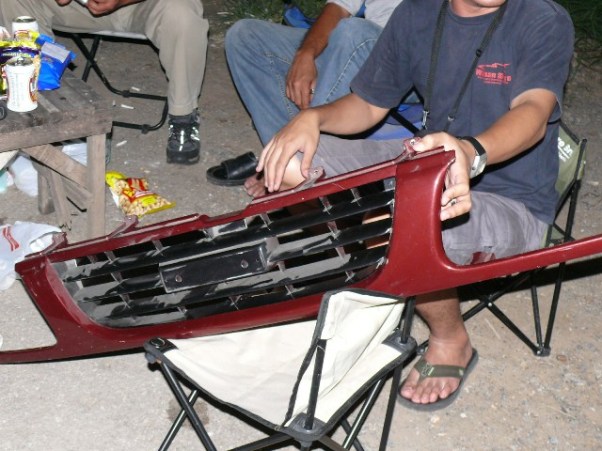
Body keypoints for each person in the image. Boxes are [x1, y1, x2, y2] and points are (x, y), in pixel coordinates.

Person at [256, 0, 574, 410]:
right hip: (425, 163)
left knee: (400, 222)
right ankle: (369, 266)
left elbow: (534, 112)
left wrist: (470, 151)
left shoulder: (542, 18)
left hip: (512, 201)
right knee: (291, 166)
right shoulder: (418, 11)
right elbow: (369, 105)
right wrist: (313, 118)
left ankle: (450, 338)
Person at [206, 0, 404, 191]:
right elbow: (339, 6)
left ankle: (299, 164)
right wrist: (306, 54)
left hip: (404, 59)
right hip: (362, 42)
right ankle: (280, 160)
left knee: (353, 32)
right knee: (245, 35)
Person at [0, 0, 208, 165]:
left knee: (183, 12)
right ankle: (36, 100)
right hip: (76, 8)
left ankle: (183, 116)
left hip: (145, 6)